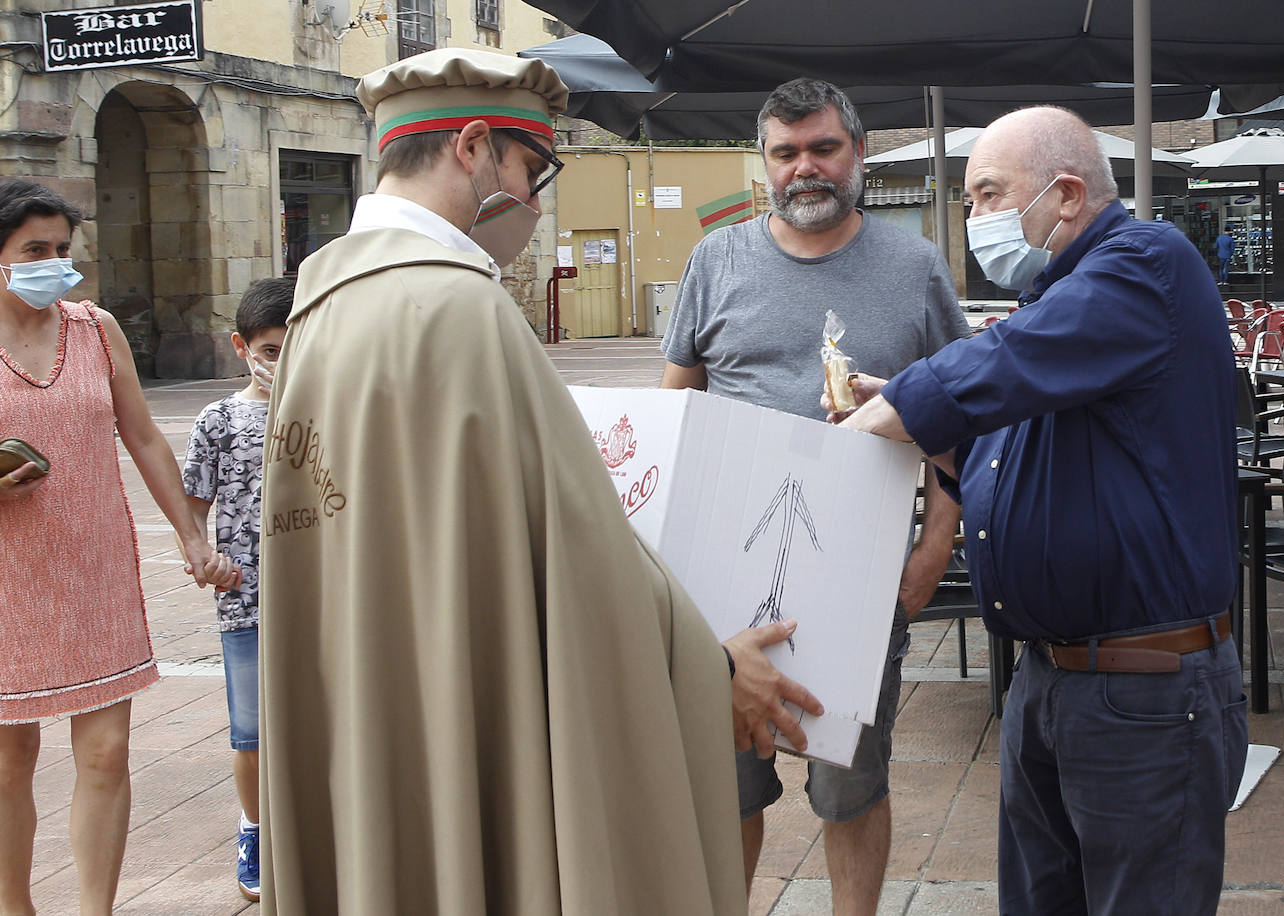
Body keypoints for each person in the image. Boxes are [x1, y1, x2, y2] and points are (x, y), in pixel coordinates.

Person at [257, 48, 750, 915]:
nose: (534, 199)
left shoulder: (319, 304)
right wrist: (711, 665)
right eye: (532, 169)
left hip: (371, 706)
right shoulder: (463, 308)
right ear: (475, 145)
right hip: (463, 708)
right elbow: (588, 565)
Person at [841, 106, 1247, 914]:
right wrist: (913, 426)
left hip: (1145, 691)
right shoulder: (1056, 308)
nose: (974, 218)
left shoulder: (1144, 264)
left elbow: (1002, 362)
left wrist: (880, 423)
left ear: (1065, 195)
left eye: (988, 194)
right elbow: (1000, 456)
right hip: (1048, 683)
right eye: (968, 201)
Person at [660, 78, 969, 916]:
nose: (805, 168)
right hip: (719, 588)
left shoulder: (913, 268)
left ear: (858, 153)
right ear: (763, 164)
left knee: (851, 787)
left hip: (859, 582)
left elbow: (961, 421)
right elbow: (675, 407)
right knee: (726, 789)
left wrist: (933, 549)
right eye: (785, 153)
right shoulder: (715, 259)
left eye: (823, 148)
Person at [0, 178, 238, 915]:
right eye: (33, 250)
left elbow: (140, 434)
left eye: (62, 250)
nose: (54, 264)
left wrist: (192, 536)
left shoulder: (94, 328)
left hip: (94, 562)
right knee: (10, 759)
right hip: (6, 574)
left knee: (105, 753)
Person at [181, 276, 293, 902]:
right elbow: (192, 508)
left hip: (320, 599)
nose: (282, 360)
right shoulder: (219, 420)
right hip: (246, 598)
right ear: (241, 346)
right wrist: (204, 556)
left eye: (295, 346)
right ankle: (253, 827)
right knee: (250, 732)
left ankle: (307, 828)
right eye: (270, 349)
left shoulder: (333, 408)